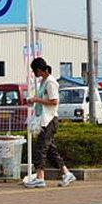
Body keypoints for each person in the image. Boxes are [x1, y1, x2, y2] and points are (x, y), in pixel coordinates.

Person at [24, 57, 76, 188]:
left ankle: (40, 177)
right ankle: (66, 173)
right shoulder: (44, 82)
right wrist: (34, 100)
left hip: (49, 120)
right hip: (45, 119)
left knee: (41, 149)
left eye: (34, 71)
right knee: (51, 151)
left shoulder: (51, 83)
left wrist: (36, 100)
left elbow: (54, 101)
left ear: (39, 70)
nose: (34, 74)